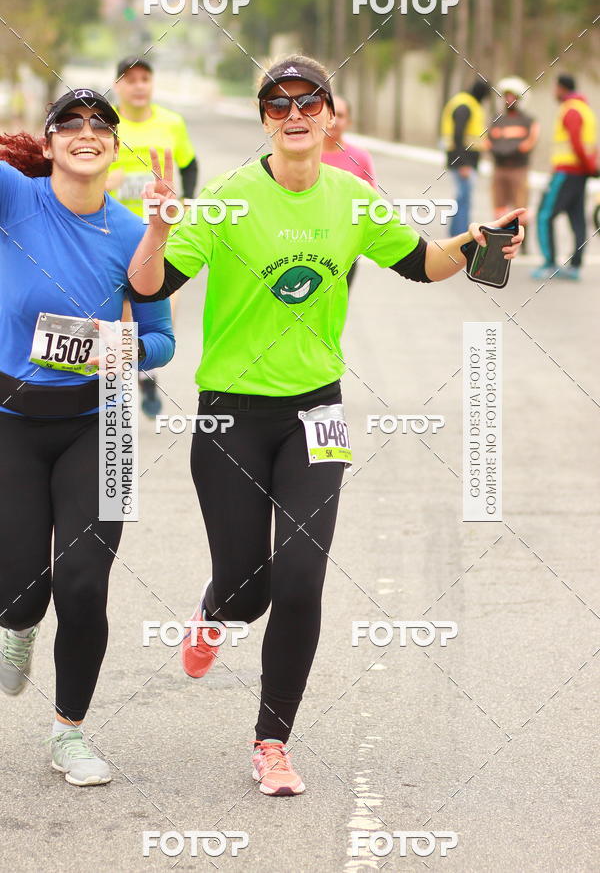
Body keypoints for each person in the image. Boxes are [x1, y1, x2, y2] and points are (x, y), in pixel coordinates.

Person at [126, 55, 523, 797]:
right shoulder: (226, 197)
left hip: (318, 412)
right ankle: (215, 609)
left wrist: (475, 242)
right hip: (230, 417)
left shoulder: (354, 197)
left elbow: (421, 264)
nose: (296, 113)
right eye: (279, 105)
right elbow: (152, 284)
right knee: (249, 591)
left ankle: (271, 742)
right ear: (265, 119)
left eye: (310, 101)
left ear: (331, 113)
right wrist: (155, 229)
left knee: (303, 578)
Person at [0, 89, 175, 786]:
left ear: (114, 147)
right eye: (68, 124)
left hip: (99, 425)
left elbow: (160, 340)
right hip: (11, 423)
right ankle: (16, 626)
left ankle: (69, 733)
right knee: (20, 591)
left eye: (100, 125)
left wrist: (119, 347)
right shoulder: (16, 200)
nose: (86, 132)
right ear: (47, 146)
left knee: (82, 584)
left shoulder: (134, 231)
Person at [106, 57, 197, 415]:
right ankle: (127, 379)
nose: (139, 85)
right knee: (124, 311)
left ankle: (144, 367)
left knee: (160, 307)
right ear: (118, 86)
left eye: (145, 78)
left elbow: (189, 165)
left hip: (159, 231)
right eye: (131, 80)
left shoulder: (172, 123)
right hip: (114, 230)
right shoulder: (105, 123)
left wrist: (187, 202)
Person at [532, 74, 598, 281]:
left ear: (561, 88)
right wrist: (591, 168)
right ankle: (575, 266)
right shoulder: (586, 110)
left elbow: (576, 143)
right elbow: (591, 146)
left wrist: (586, 166)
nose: (553, 92)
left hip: (567, 172)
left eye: (555, 87)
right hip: (580, 174)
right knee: (577, 217)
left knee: (544, 215)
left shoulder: (570, 110)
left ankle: (549, 263)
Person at [321, 94, 377, 289]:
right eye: (329, 114)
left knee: (338, 303)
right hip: (306, 242)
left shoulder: (360, 157)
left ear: (349, 122)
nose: (334, 120)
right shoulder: (303, 154)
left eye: (341, 115)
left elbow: (370, 201)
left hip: (346, 246)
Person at [484, 77, 539, 251]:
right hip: (499, 169)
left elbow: (529, 143)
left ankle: (523, 245)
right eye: (506, 96)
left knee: (521, 208)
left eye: (512, 96)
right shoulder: (496, 119)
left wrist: (507, 150)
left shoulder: (529, 121)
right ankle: (500, 242)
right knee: (499, 208)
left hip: (518, 170)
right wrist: (498, 151)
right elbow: (488, 141)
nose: (509, 100)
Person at [441, 79, 491, 236]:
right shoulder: (465, 105)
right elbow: (458, 135)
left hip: (467, 161)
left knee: (463, 198)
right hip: (463, 162)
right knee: (463, 199)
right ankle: (460, 235)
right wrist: (462, 164)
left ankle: (458, 233)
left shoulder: (467, 103)